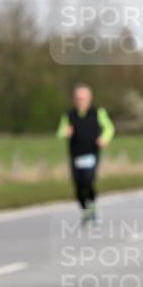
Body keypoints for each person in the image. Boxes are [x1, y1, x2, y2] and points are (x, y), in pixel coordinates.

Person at [57, 84, 115, 225]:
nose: (81, 100)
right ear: (74, 99)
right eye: (78, 98)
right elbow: (60, 132)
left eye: (84, 98)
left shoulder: (98, 112)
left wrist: (105, 138)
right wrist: (65, 133)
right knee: (78, 186)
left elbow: (109, 127)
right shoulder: (69, 115)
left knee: (88, 181)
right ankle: (86, 210)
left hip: (92, 153)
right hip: (75, 154)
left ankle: (92, 209)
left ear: (90, 98)